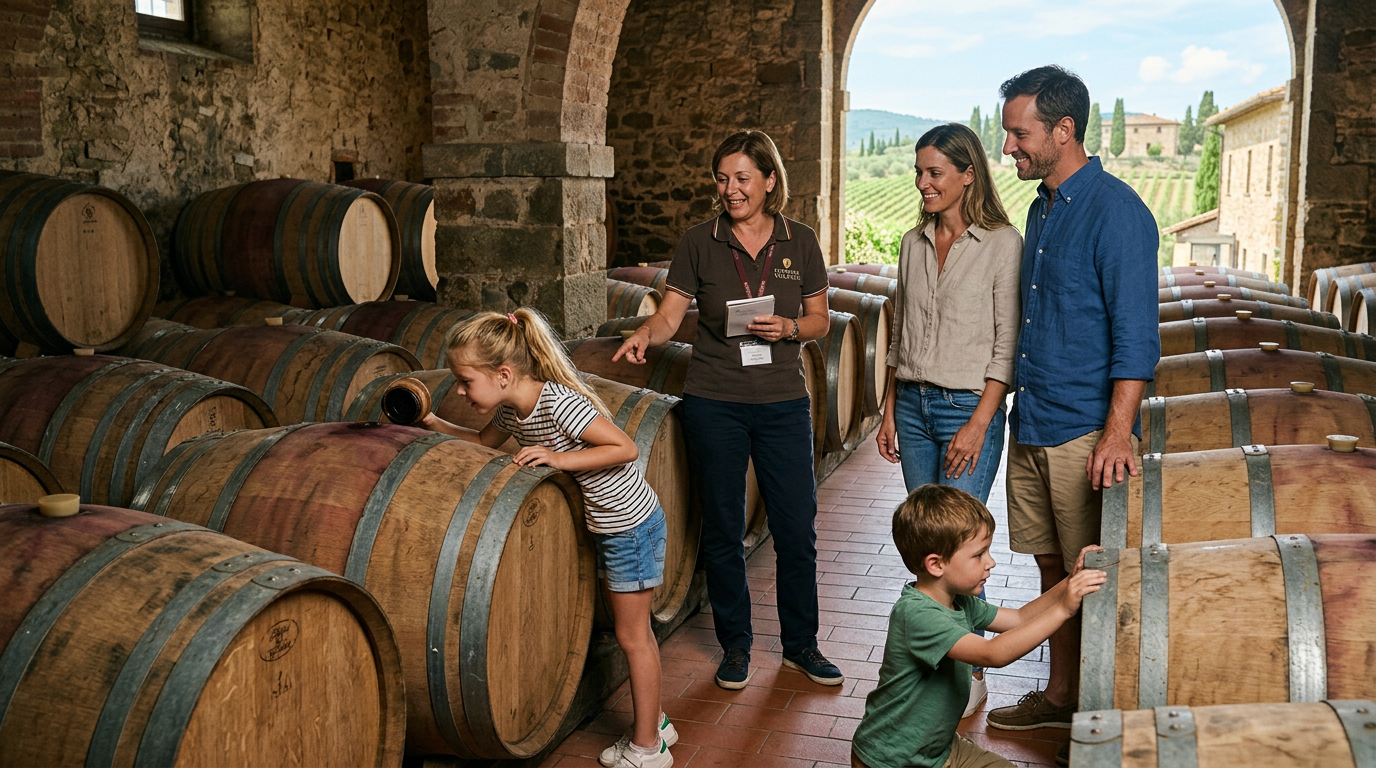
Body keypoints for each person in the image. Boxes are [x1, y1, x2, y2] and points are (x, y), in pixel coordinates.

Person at [613, 130, 843, 690]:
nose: (731, 189)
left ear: (769, 180)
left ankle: (801, 645)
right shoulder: (699, 240)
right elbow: (669, 317)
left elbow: (820, 320)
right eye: (722, 179)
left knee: (796, 529)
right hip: (715, 402)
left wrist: (789, 327)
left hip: (783, 403)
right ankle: (735, 645)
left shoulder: (800, 240)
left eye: (742, 178)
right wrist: (644, 333)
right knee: (722, 529)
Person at [420, 308, 676, 768]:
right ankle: (656, 725)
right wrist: (433, 421)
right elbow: (480, 442)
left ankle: (647, 750)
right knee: (636, 634)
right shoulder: (511, 410)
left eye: (464, 381)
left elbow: (625, 447)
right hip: (612, 525)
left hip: (630, 526)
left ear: (502, 374)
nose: (458, 390)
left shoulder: (558, 403)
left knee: (632, 637)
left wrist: (558, 459)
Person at [986, 65, 1159, 734]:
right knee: (1052, 570)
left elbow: (1136, 338)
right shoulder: (1041, 207)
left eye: (1018, 134)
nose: (1009, 147)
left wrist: (1116, 433)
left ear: (1063, 130)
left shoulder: (1118, 212)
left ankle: (1097, 724)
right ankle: (1061, 699)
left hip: (1084, 434)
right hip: (1033, 422)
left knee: (1092, 577)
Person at [875, 123, 1022, 718]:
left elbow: (1007, 343)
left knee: (962, 545)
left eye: (935, 172)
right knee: (929, 542)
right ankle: (946, 657)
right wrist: (889, 410)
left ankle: (970, 670)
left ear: (968, 174)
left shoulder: (1002, 243)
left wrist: (981, 422)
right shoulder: (912, 242)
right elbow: (899, 332)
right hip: (911, 405)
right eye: (919, 172)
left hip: (968, 407)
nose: (923, 183)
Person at [850, 485, 1105, 768]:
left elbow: (1019, 618)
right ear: (936, 564)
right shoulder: (917, 614)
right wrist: (1063, 610)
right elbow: (991, 654)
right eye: (979, 554)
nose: (991, 562)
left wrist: (1070, 582)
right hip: (889, 758)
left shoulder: (959, 601)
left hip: (937, 751)